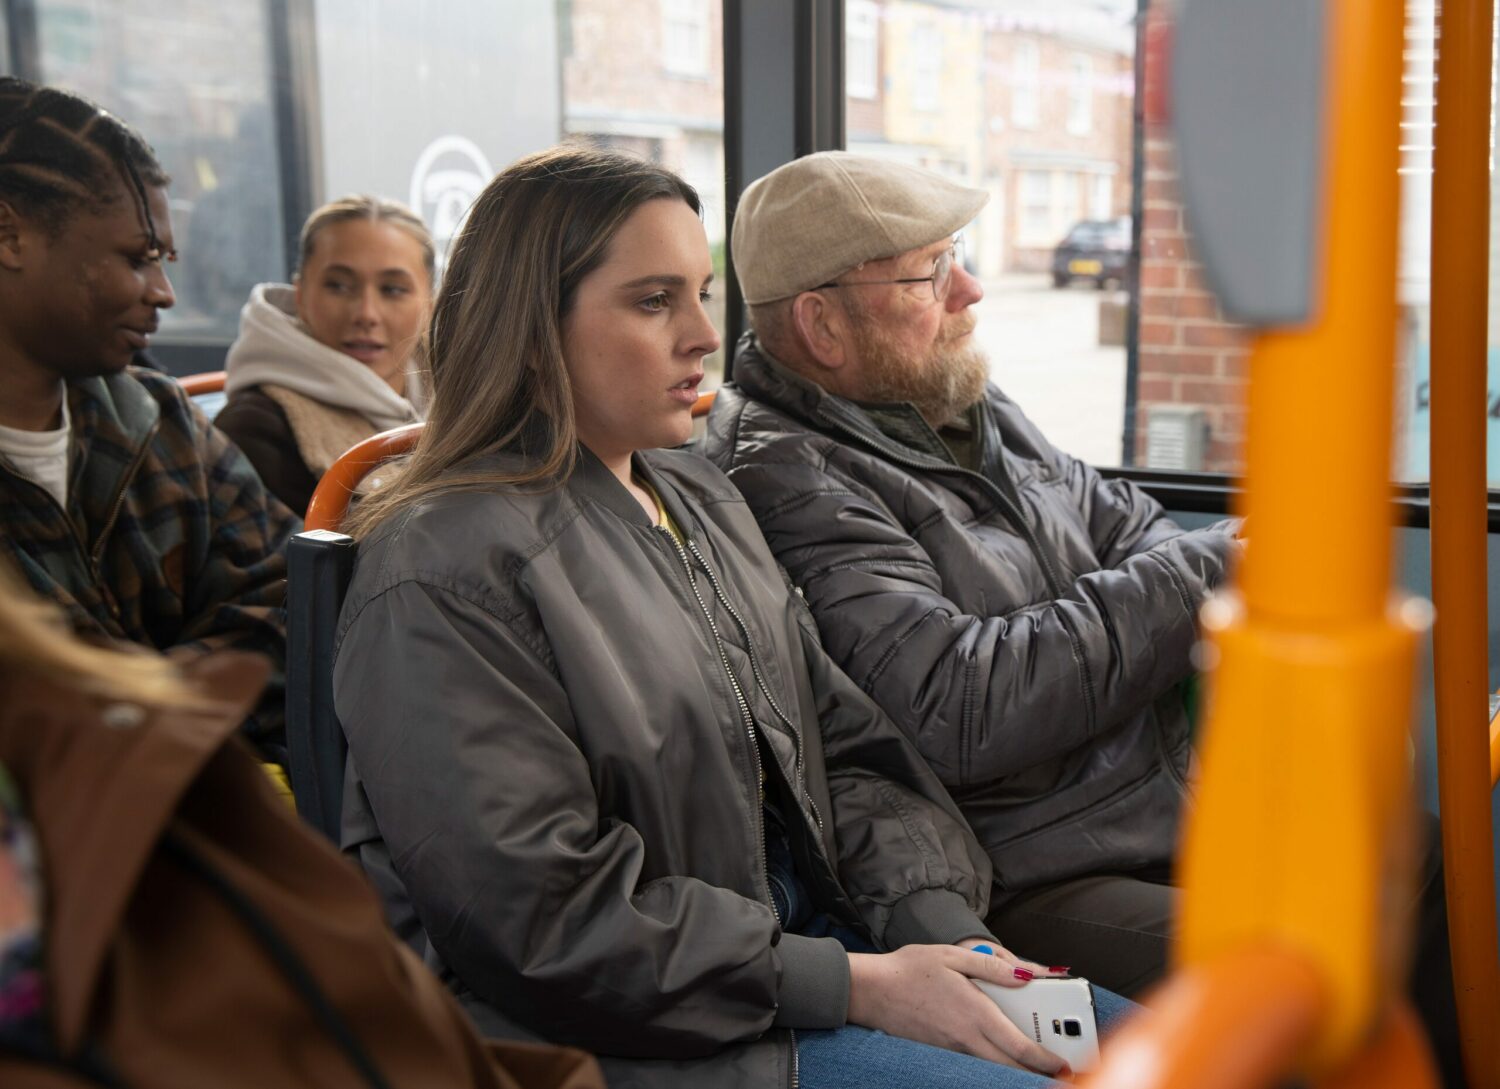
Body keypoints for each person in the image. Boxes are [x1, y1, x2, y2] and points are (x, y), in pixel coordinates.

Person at [333, 146, 1134, 1089]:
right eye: (652, 300)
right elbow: (542, 924)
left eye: (701, 293)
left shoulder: (699, 498)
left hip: (806, 959)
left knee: (1167, 1051)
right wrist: (855, 986)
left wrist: (944, 935)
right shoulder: (441, 568)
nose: (703, 335)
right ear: (534, 324)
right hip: (637, 1033)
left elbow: (846, 753)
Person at [699, 151, 1245, 996]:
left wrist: (1094, 631)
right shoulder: (783, 479)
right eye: (932, 273)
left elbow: (1134, 526)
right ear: (823, 326)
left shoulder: (962, 404)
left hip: (1160, 802)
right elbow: (964, 704)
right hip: (1035, 862)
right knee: (1295, 946)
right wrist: (1208, 569)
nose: (972, 290)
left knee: (1410, 854)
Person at [0, 566, 604, 1089]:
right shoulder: (436, 579)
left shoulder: (141, 753)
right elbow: (543, 919)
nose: (696, 422)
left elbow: (412, 1042)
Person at [0, 78, 296, 763]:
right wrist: (190, 691)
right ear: (9, 234)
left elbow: (294, 601)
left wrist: (136, 710)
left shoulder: (161, 422)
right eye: (138, 259)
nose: (163, 293)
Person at [216, 195, 433, 515]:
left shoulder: (465, 399)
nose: (366, 314)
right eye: (339, 286)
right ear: (300, 297)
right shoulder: (257, 428)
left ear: (430, 304)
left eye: (392, 290)